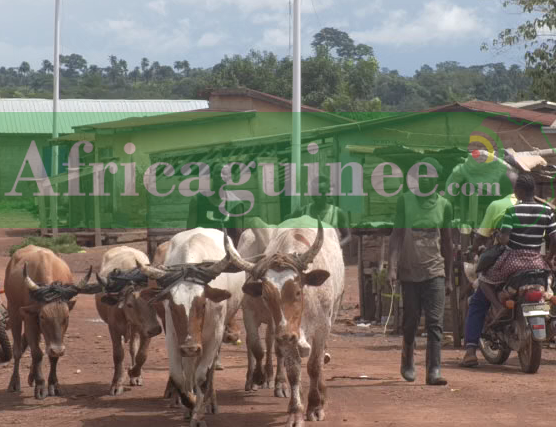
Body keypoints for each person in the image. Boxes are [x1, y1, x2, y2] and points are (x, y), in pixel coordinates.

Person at [462, 172, 556, 366]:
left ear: (517, 191)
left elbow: (504, 240)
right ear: (535, 190)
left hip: (512, 261)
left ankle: (495, 311)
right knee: (548, 290)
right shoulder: (547, 210)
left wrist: (502, 237)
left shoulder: (511, 211)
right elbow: (554, 238)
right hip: (537, 262)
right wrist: (548, 257)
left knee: (484, 283)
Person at [388, 157, 453, 386]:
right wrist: (392, 268)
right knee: (411, 320)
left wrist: (448, 275)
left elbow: (447, 242)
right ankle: (407, 361)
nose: (425, 179)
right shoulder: (405, 201)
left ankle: (434, 370)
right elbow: (396, 235)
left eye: (430, 175)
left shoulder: (445, 205)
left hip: (435, 270)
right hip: (409, 271)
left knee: (435, 322)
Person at [186, 162, 245, 370]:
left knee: (224, 304)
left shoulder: (237, 204)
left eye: (225, 174)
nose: (221, 177)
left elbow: (237, 235)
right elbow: (190, 230)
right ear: (210, 177)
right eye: (217, 174)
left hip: (225, 259)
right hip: (202, 257)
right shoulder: (198, 200)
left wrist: (234, 262)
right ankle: (194, 341)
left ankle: (216, 350)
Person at [460, 173, 517, 367]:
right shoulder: (537, 207)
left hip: (505, 264)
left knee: (478, 301)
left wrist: (473, 250)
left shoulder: (497, 206)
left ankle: (470, 351)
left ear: (499, 188)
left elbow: (481, 236)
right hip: (536, 263)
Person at [287, 176, 352, 247]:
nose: (317, 196)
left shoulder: (337, 213)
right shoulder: (302, 212)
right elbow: (289, 232)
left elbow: (348, 236)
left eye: (321, 192)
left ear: (328, 192)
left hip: (330, 256)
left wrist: (335, 247)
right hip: (308, 255)